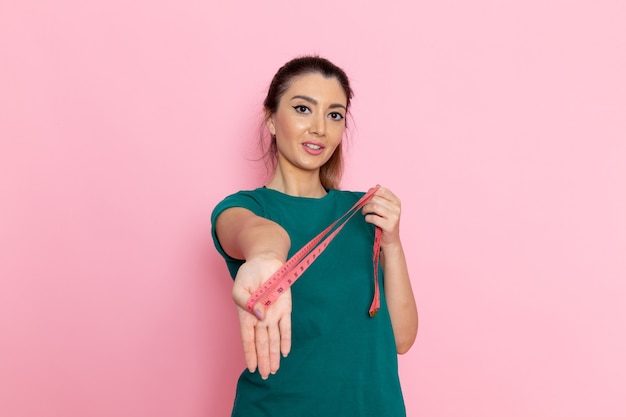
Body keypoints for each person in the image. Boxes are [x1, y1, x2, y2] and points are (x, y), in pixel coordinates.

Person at [211, 55, 418, 416]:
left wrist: (393, 244)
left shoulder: (365, 213)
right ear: (271, 119)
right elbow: (258, 232)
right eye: (303, 109)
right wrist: (265, 258)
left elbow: (400, 339)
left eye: (334, 114)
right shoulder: (243, 208)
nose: (320, 128)